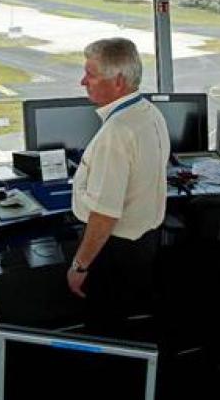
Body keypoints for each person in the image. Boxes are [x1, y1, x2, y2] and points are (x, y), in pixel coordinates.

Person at [67, 37, 170, 335]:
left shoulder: (117, 132)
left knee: (103, 328)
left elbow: (105, 214)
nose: (82, 81)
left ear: (119, 82)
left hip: (113, 251)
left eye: (91, 74)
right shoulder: (149, 113)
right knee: (122, 321)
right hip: (143, 245)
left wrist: (80, 266)